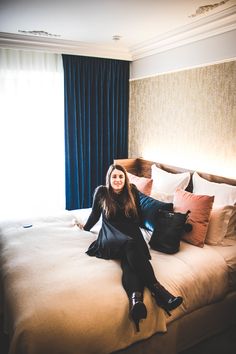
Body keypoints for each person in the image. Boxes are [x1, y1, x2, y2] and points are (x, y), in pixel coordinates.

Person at [78, 164, 183, 331]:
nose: (118, 180)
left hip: (131, 233)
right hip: (110, 235)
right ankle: (160, 291)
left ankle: (136, 302)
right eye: (114, 177)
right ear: (109, 179)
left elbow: (139, 216)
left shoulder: (132, 190)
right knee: (131, 246)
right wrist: (84, 228)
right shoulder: (101, 192)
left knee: (130, 259)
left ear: (125, 179)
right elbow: (94, 215)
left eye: (121, 177)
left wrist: (162, 224)